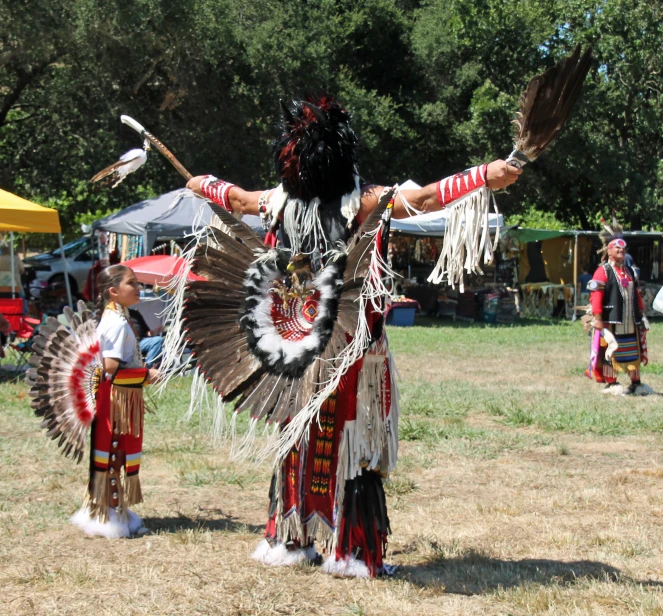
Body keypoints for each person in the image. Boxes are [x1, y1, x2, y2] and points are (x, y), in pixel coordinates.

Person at [175, 95, 520, 578]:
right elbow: (423, 199)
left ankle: (291, 537)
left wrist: (201, 183)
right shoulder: (366, 201)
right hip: (354, 347)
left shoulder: (277, 203)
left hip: (294, 343)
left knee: (295, 433)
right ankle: (352, 549)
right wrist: (485, 173)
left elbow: (233, 198)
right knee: (355, 440)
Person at [70, 265, 160, 537]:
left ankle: (110, 509)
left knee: (114, 452)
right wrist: (147, 374)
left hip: (116, 396)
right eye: (132, 283)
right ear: (113, 291)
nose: (138, 288)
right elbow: (110, 366)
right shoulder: (118, 322)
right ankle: (109, 514)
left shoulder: (117, 317)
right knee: (115, 453)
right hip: (116, 398)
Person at [586, 218, 651, 395]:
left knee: (632, 351)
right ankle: (612, 383)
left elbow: (636, 295)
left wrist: (642, 315)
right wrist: (598, 318)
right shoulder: (603, 271)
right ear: (609, 250)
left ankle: (636, 383)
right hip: (611, 321)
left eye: (623, 249)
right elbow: (596, 295)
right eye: (617, 248)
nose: (621, 250)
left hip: (631, 322)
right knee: (610, 352)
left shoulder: (629, 271)